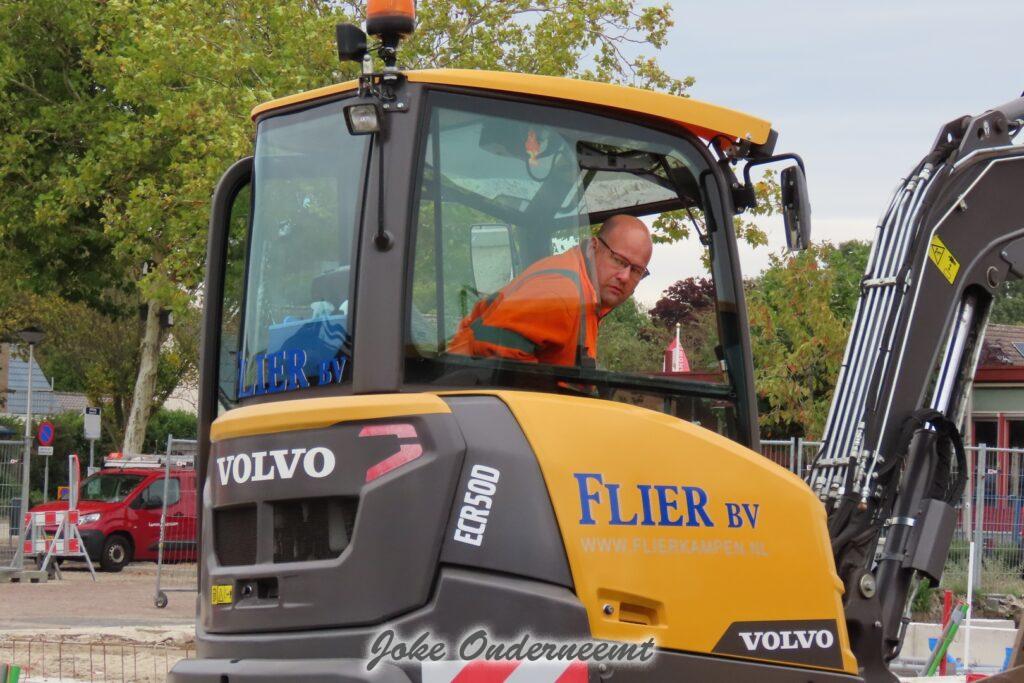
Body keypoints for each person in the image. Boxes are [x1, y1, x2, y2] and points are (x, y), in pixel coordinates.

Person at [448, 214, 653, 367]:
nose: (625, 276)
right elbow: (490, 350)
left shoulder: (587, 294)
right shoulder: (562, 293)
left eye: (636, 270)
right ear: (594, 247)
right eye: (618, 260)